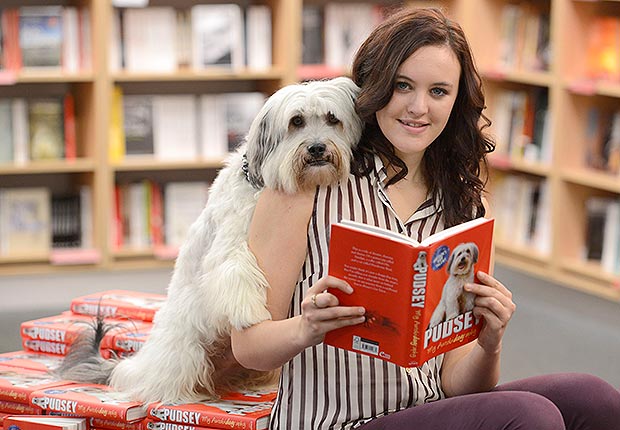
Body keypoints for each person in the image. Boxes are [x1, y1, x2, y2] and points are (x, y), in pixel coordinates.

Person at [231, 7, 620, 430]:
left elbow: (456, 384)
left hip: (426, 411)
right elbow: (247, 346)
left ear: (456, 101)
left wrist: (489, 344)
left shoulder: (462, 203)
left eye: (438, 91)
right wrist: (305, 328)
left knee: (593, 397)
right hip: (337, 422)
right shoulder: (305, 186)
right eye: (402, 86)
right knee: (532, 417)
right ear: (375, 87)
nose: (418, 108)